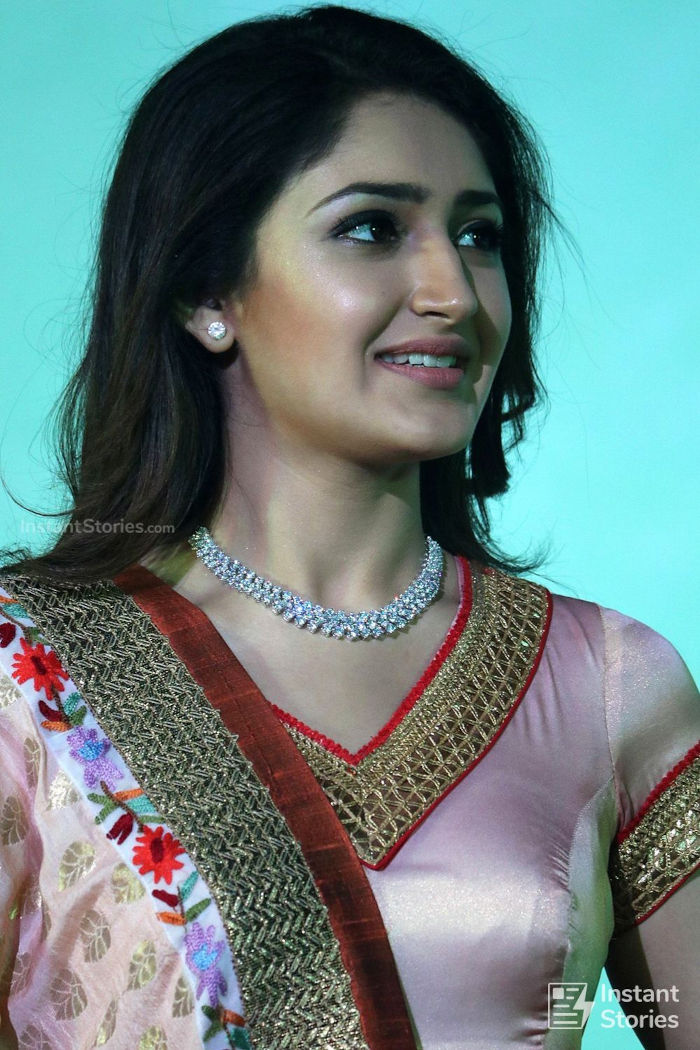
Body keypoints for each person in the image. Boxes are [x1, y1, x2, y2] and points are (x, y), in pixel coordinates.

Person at [0, 6, 697, 1048]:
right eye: (372, 228)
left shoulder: (608, 684)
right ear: (206, 291)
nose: (453, 292)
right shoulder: (29, 680)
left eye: (480, 235)